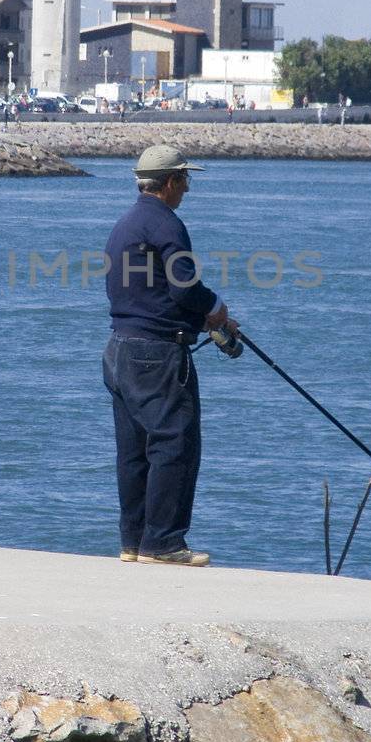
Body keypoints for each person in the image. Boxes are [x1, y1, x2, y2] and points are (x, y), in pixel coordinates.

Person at [101, 143, 238, 567]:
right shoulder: (167, 225)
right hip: (156, 356)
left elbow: (147, 296)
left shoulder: (124, 225)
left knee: (134, 450)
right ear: (171, 182)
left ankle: (134, 542)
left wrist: (201, 325)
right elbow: (183, 288)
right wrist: (215, 310)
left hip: (120, 350)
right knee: (175, 443)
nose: (188, 189)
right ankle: (162, 544)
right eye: (186, 180)